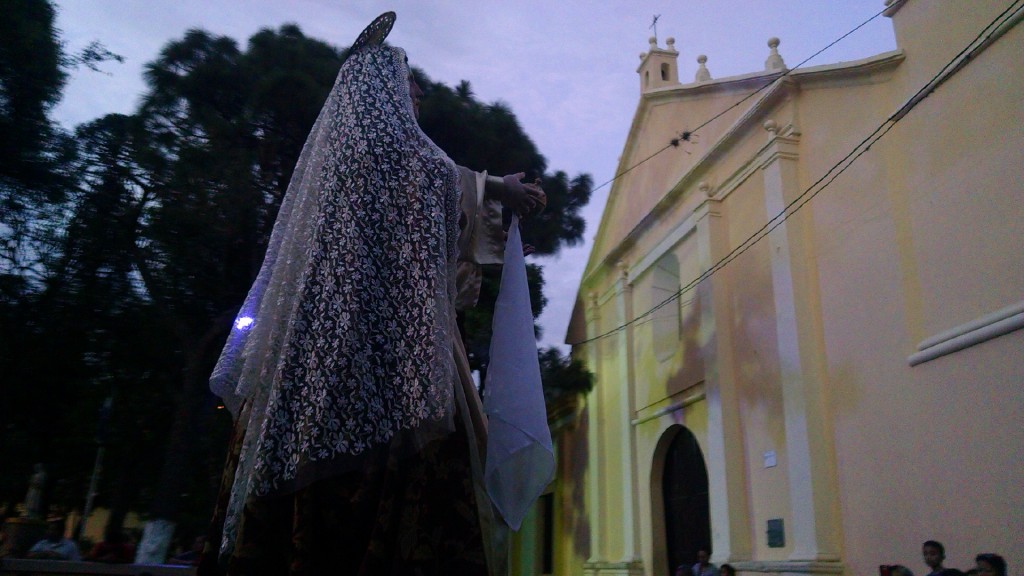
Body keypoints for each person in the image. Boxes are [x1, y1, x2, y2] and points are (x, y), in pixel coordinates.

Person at [199, 12, 545, 576]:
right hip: (389, 350)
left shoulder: (344, 165)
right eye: (410, 80)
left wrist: (481, 224)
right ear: (381, 87)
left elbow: (428, 213)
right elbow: (432, 179)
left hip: (313, 350)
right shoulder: (394, 156)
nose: (420, 91)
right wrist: (499, 191)